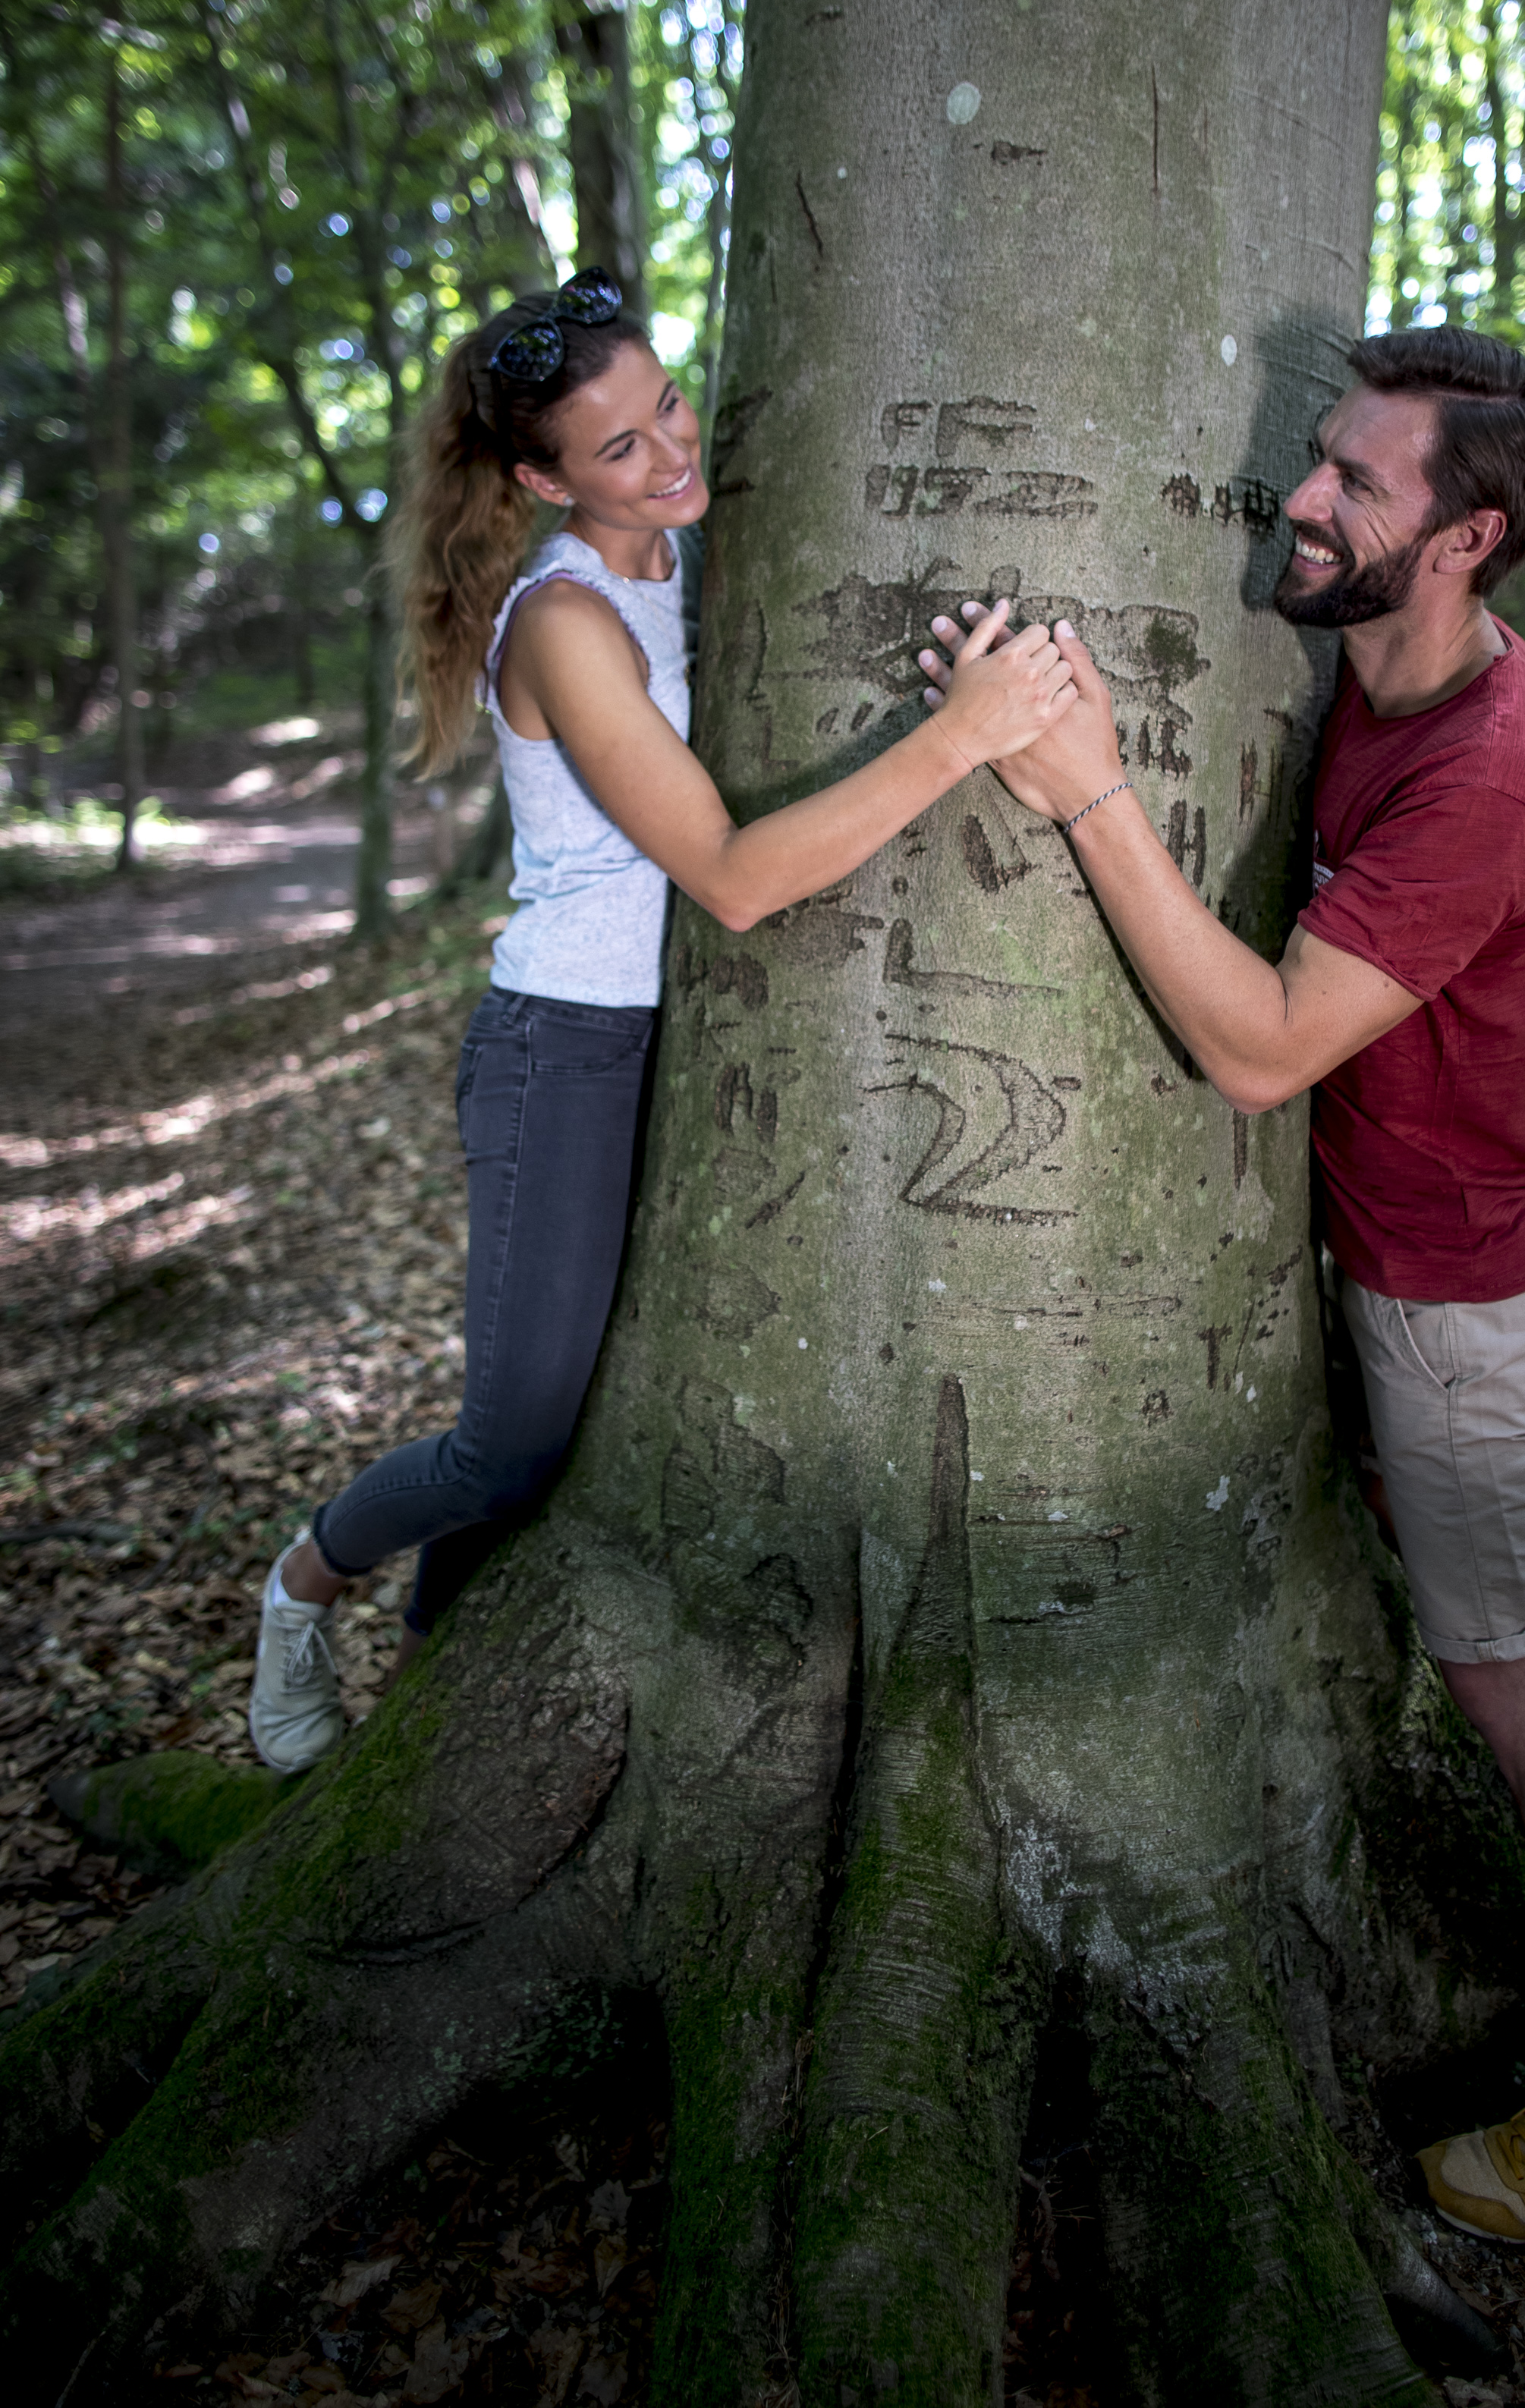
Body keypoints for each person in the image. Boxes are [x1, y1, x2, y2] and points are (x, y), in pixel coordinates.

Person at [917, 325, 1525, 2247]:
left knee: (1523, 1695)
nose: (1302, 497)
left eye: (1356, 481)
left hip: (1458, 1303)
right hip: (1359, 1266)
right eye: (1317, 459)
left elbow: (1262, 1048)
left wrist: (1089, 787)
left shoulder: (1500, 771)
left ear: (1467, 539)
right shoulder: (1360, 667)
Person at [249, 268, 1075, 1774]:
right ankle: (303, 1585)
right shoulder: (565, 621)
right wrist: (963, 736)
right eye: (618, 447)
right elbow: (735, 876)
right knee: (512, 1439)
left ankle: (432, 1696)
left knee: (572, 1410)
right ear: (539, 479)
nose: (670, 452)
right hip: (558, 1050)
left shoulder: (684, 556)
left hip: (658, 1049)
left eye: (668, 405)